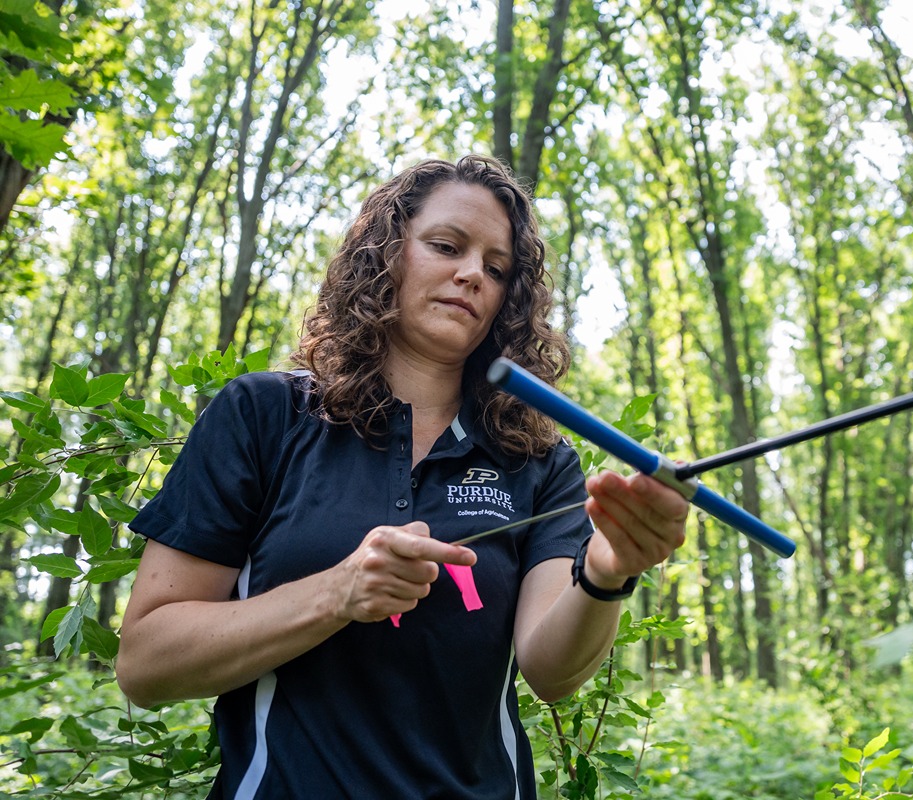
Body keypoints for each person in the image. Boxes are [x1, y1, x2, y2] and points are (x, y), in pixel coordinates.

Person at [115, 154, 689, 799]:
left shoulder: (539, 462)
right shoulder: (263, 416)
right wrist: (335, 594)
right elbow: (146, 663)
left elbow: (550, 672)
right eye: (446, 246)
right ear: (385, 252)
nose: (472, 274)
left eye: (496, 269)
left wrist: (608, 574)